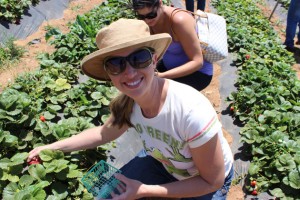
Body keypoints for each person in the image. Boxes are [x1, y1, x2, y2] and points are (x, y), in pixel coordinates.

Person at [27, 19, 233, 200]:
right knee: (107, 196)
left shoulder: (190, 111)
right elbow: (102, 133)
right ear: (109, 74)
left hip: (204, 178)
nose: (130, 72)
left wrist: (144, 190)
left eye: (139, 58)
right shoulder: (128, 104)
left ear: (154, 60)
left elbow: (211, 181)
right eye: (116, 64)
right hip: (163, 162)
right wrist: (51, 148)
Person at [131, 0, 213, 91]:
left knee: (157, 93)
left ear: (160, 3)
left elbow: (197, 62)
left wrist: (162, 76)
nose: (146, 20)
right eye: (141, 16)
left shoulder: (179, 21)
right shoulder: (149, 21)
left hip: (197, 73)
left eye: (151, 15)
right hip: (169, 67)